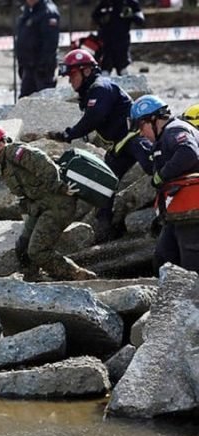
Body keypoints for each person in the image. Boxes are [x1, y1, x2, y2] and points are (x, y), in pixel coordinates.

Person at [51, 49, 153, 241]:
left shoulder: (100, 87)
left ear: (87, 71)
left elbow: (95, 117)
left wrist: (69, 134)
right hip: (120, 146)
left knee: (153, 167)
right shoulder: (91, 91)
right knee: (103, 183)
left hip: (135, 138)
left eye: (72, 75)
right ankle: (105, 230)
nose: (70, 81)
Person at [0, 124, 98, 281]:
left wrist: (58, 186)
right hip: (41, 206)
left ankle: (76, 274)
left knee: (37, 250)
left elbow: (44, 163)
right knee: (22, 246)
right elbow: (25, 195)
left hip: (58, 205)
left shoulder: (15, 153)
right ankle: (33, 278)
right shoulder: (6, 163)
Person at [130, 95, 199, 272]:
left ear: (153, 119)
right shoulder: (166, 136)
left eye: (140, 126)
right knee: (164, 259)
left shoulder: (175, 131)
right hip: (180, 214)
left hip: (192, 213)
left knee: (191, 266)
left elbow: (188, 153)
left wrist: (161, 175)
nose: (141, 133)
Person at [15, 0, 60, 98]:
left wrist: (42, 66)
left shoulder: (48, 12)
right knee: (24, 103)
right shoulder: (29, 10)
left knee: (44, 102)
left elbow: (50, 44)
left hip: (42, 70)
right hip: (28, 67)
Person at [92, 0, 144, 76]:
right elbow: (95, 16)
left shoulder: (130, 2)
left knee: (123, 70)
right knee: (105, 70)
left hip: (122, 42)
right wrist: (103, 18)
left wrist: (131, 15)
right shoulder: (106, 2)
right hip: (106, 43)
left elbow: (140, 19)